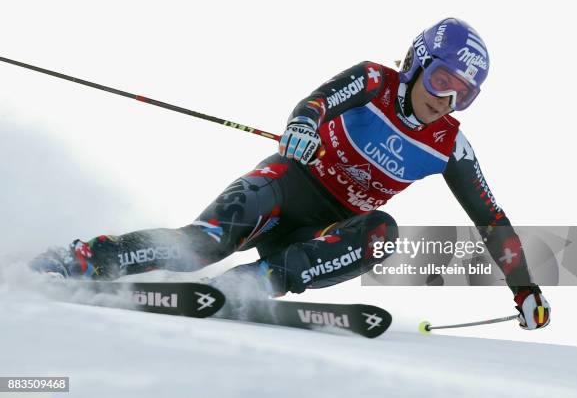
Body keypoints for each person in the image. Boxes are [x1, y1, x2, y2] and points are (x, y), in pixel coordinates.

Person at [31, 18, 550, 330]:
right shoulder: (376, 80)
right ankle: (80, 258)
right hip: (283, 186)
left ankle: (253, 285)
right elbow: (317, 103)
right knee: (202, 245)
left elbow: (492, 220)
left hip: (321, 231)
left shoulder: (450, 146)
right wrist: (303, 126)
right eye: (441, 79)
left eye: (465, 94)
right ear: (417, 61)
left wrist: (524, 289)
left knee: (382, 233)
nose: (447, 99)